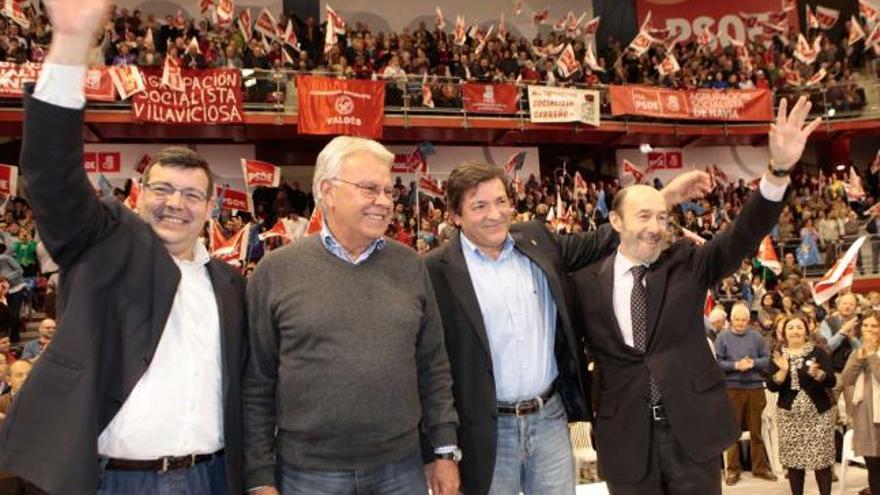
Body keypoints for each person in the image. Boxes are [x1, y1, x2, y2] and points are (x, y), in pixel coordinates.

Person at [0, 1, 247, 493]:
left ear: (209, 209)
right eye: (162, 190)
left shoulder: (230, 284)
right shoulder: (105, 245)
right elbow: (51, 172)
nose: (176, 203)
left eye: (192, 194)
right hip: (119, 481)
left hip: (216, 477)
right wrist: (70, 43)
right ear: (139, 195)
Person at [570, 96, 820, 495]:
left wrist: (777, 171)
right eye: (644, 216)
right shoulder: (584, 282)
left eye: (663, 217)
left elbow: (742, 236)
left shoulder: (686, 262)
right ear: (614, 221)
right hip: (627, 440)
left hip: (692, 431)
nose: (655, 227)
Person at [422, 161, 707, 495]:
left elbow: (603, 238)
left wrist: (666, 196)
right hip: (484, 431)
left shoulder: (536, 240)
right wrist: (439, 452)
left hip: (549, 421)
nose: (495, 214)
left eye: (501, 201)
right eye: (479, 206)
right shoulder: (434, 271)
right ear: (455, 215)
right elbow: (429, 368)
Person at [244, 136, 460, 495]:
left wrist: (444, 450)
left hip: (401, 469)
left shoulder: (410, 265)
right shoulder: (275, 271)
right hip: (307, 475)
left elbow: (433, 364)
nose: (384, 202)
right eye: (369, 189)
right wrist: (260, 477)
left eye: (388, 191)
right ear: (327, 191)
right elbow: (256, 384)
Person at [765, 314, 836, 495]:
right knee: (794, 461)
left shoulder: (818, 352)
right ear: (783, 332)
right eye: (790, 328)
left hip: (819, 415)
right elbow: (772, 386)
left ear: (806, 330)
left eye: (799, 327)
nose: (795, 331)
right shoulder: (778, 354)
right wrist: (782, 370)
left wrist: (818, 374)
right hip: (789, 416)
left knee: (821, 460)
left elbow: (831, 381)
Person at [714, 303, 775, 485]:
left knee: (757, 431)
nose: (740, 323)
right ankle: (732, 470)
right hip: (732, 389)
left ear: (748, 320)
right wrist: (735, 366)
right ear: (730, 320)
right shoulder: (722, 338)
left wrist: (752, 364)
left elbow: (766, 359)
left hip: (755, 388)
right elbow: (716, 362)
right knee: (733, 433)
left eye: (743, 320)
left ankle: (760, 468)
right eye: (737, 319)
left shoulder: (756, 337)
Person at [841, 310, 880, 495]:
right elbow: (847, 379)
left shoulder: (873, 353)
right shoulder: (857, 352)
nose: (869, 330)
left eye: (874, 326)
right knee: (873, 465)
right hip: (865, 415)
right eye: (865, 325)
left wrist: (872, 355)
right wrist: (859, 358)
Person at [819, 293, 861, 375]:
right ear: (838, 306)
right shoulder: (827, 322)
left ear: (855, 308)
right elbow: (826, 347)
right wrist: (842, 331)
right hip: (834, 370)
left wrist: (852, 339)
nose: (847, 306)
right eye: (844, 303)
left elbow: (863, 351)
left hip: (855, 370)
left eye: (851, 304)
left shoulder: (862, 324)